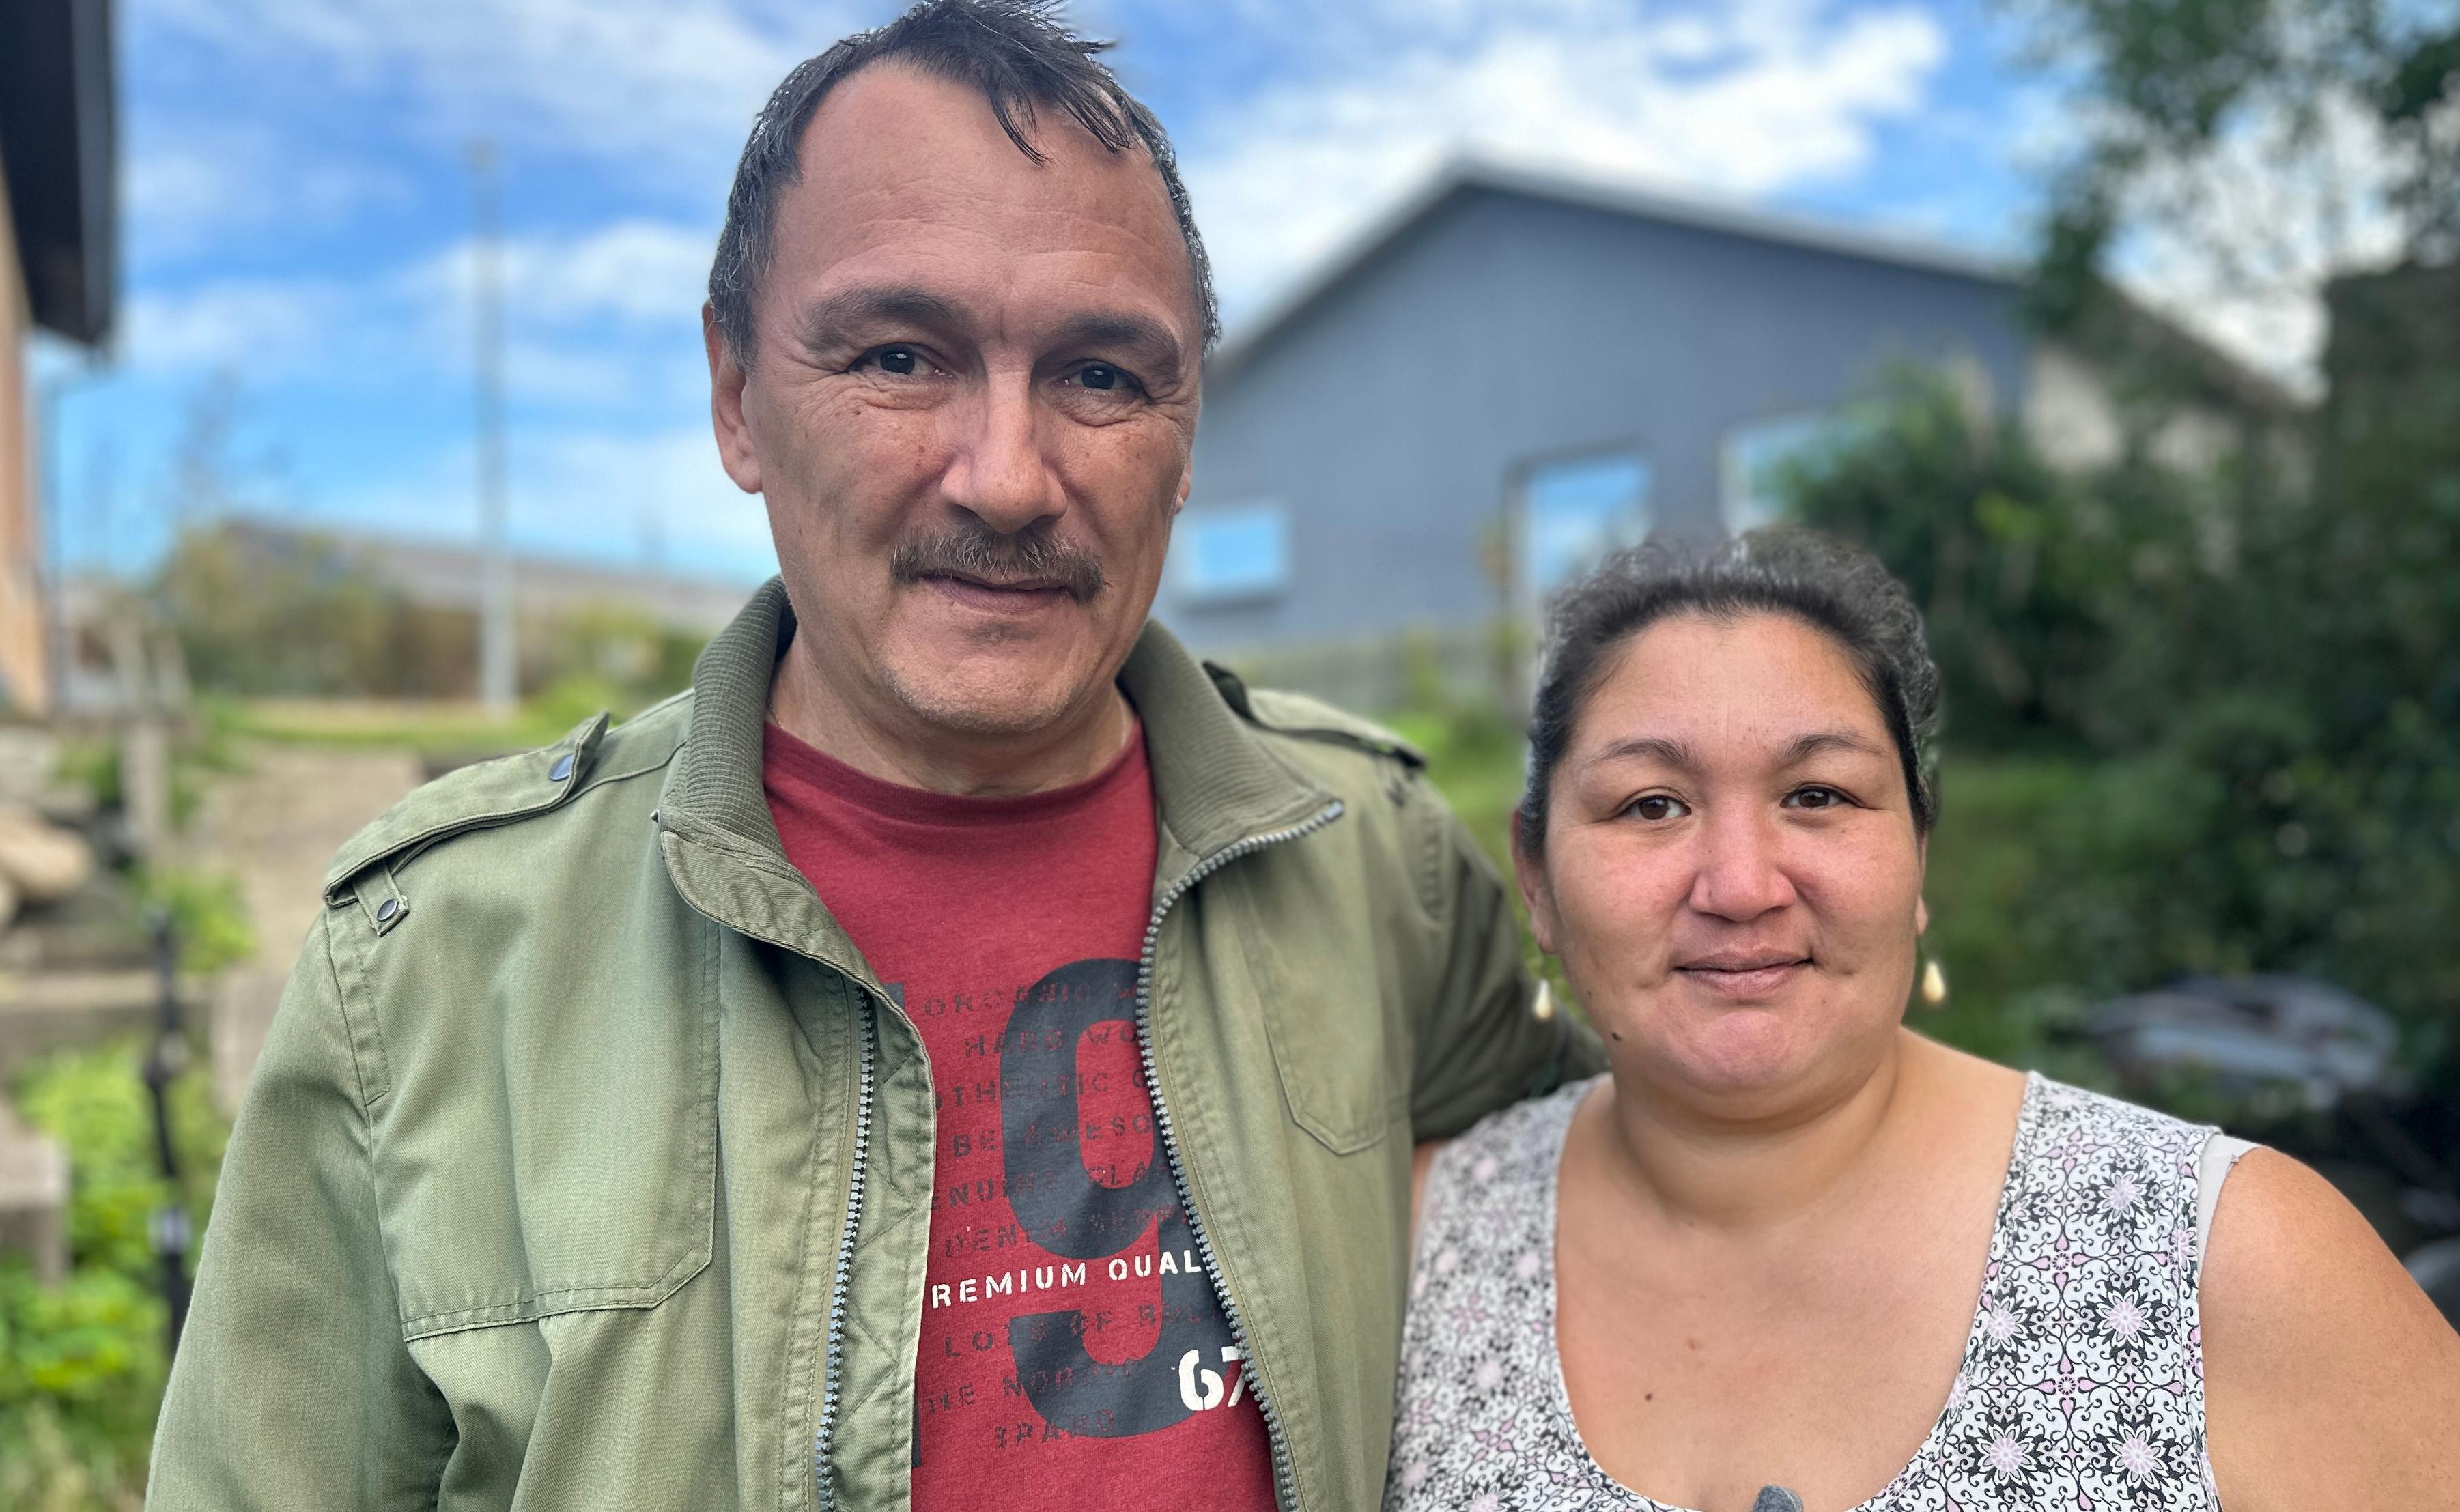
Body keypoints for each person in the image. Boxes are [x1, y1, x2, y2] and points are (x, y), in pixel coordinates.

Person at [145, 4, 1585, 1509]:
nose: (1010, 477)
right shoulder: (430, 967)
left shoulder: (1376, 857)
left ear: (1186, 426)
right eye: (901, 355)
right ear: (734, 396)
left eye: (1101, 375)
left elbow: (1672, 1190)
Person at [1388, 533, 2460, 1512]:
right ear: (1536, 880)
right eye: (1651, 805)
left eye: (1817, 796)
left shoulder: (2227, 1264)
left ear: (1918, 859)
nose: (1739, 883)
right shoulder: (1412, 1243)